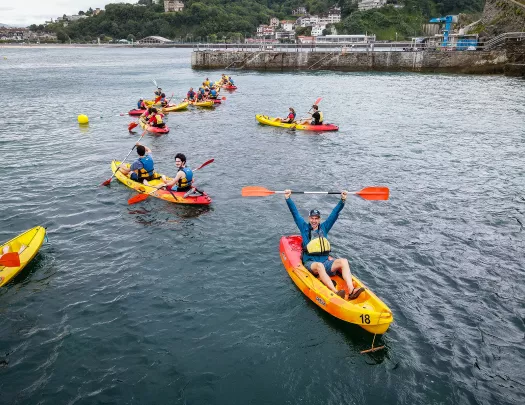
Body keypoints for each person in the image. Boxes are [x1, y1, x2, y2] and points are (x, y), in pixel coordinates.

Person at [284, 189, 365, 300]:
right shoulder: (304, 227)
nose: (314, 221)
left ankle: (351, 291)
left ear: (319, 219)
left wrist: (342, 200)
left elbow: (334, 214)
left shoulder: (325, 228)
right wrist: (288, 198)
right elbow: (295, 213)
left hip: (325, 262)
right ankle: (335, 292)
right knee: (320, 266)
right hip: (311, 263)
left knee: (344, 261)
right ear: (309, 218)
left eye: (316, 219)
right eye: (312, 218)